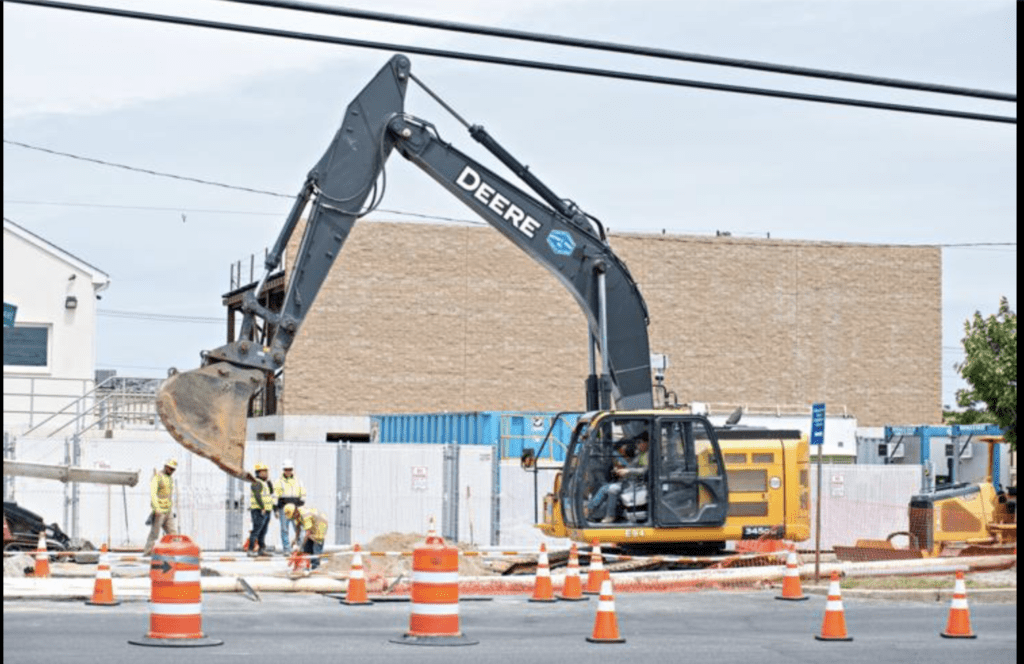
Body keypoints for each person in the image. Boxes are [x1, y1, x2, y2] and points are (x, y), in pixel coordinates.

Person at [587, 430, 650, 523]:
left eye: (640, 442)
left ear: (647, 442)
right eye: (637, 442)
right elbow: (632, 466)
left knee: (613, 489)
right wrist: (620, 470)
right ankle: (591, 510)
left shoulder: (649, 455)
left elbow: (645, 470)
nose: (638, 444)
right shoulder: (640, 454)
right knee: (604, 487)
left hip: (639, 484)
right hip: (631, 481)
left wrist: (628, 471)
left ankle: (610, 515)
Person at [144, 458, 178, 555]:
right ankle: (148, 552)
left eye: (173, 470)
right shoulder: (157, 477)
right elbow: (153, 494)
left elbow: (168, 495)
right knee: (154, 534)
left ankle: (176, 552)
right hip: (159, 511)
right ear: (166, 466)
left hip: (168, 511)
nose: (172, 471)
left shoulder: (169, 478)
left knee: (173, 534)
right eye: (171, 469)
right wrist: (157, 509)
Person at [283, 503, 328, 571]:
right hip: (312, 524)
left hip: (320, 524)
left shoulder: (305, 515)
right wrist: (295, 539)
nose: (293, 518)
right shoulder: (297, 514)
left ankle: (315, 567)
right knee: (307, 547)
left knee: (316, 545)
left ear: (295, 512)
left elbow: (308, 532)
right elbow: (298, 528)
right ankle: (307, 565)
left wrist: (301, 546)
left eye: (293, 517)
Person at [274, 459, 306, 552]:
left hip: (296, 508)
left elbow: (303, 492)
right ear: (283, 470)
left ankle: (300, 548)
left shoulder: (298, 481)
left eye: (289, 469)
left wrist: (301, 505)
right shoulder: (279, 481)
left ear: (292, 470)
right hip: (284, 508)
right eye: (286, 469)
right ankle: (287, 549)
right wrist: (275, 509)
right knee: (284, 529)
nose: (288, 471)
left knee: (299, 529)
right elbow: (275, 495)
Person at [247, 462, 274, 556]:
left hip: (266, 510)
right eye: (263, 472)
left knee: (263, 531)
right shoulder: (256, 482)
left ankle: (262, 550)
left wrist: (269, 481)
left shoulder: (264, 483)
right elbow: (257, 496)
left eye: (266, 472)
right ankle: (250, 550)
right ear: (258, 473)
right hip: (259, 510)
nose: (265, 474)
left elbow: (271, 492)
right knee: (256, 530)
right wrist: (262, 507)